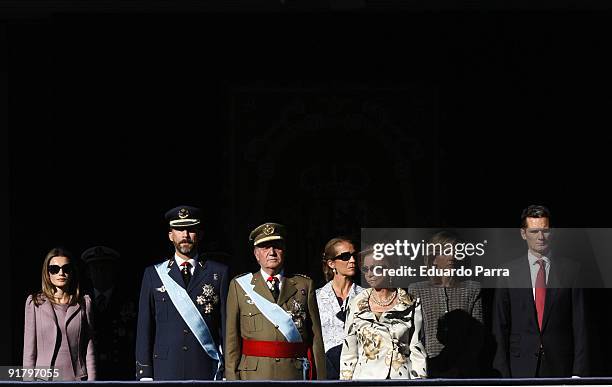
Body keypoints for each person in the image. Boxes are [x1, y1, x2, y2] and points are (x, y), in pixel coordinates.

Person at [135, 205, 229, 380]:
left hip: (205, 366)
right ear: (170, 235)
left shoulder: (219, 273)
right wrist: (145, 372)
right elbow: (144, 327)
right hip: (165, 368)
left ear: (200, 234)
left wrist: (227, 370)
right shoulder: (153, 274)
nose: (185, 235)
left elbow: (225, 326)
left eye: (191, 229)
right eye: (179, 229)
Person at [492, 205, 588, 377]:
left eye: (545, 231)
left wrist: (578, 373)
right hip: (519, 366)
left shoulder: (572, 270)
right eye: (534, 231)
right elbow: (500, 327)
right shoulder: (507, 273)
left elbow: (580, 325)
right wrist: (502, 374)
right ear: (523, 234)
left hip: (561, 365)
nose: (541, 237)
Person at [225, 222, 327, 380]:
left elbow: (315, 338)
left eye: (277, 246)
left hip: (294, 374)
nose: (271, 252)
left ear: (284, 251)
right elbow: (232, 340)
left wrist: (321, 381)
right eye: (265, 247)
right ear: (256, 253)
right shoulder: (239, 286)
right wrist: (232, 379)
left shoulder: (304, 285)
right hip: (253, 375)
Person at [339, 247, 426, 380]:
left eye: (376, 268)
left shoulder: (411, 304)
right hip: (365, 380)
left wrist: (420, 382)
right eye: (365, 269)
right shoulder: (356, 303)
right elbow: (348, 354)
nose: (369, 274)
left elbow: (417, 351)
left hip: (400, 379)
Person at [408, 231, 483, 377]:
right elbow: (414, 335)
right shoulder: (417, 289)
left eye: (456, 251)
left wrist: (461, 367)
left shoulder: (472, 288)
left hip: (465, 370)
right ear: (433, 258)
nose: (452, 256)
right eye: (446, 252)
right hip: (428, 367)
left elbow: (478, 335)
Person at [23, 247, 96, 381]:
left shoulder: (84, 303)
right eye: (54, 269)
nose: (61, 273)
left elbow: (89, 348)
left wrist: (92, 382)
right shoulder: (35, 303)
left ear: (72, 272)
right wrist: (28, 382)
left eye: (66, 268)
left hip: (77, 379)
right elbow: (29, 351)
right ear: (47, 273)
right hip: (44, 380)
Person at [81, 245, 137, 380]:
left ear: (113, 270)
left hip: (120, 371)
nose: (100, 272)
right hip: (89, 370)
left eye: (105, 267)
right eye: (95, 268)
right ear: (88, 272)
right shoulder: (80, 301)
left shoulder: (128, 299)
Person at [315, 237, 364, 379]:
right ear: (331, 263)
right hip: (326, 370)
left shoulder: (366, 296)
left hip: (359, 370)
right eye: (345, 256)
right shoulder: (316, 298)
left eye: (354, 255)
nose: (352, 260)